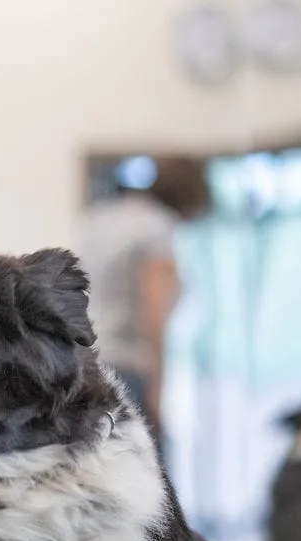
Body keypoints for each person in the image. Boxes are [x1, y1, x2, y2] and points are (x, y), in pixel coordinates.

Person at [76, 156, 211, 431]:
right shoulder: (157, 229)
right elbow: (154, 310)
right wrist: (158, 385)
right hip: (127, 366)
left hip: (84, 358)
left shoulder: (100, 218)